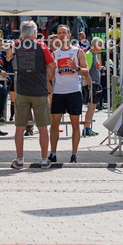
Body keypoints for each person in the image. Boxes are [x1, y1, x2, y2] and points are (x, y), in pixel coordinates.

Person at [11, 20, 55, 170]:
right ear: (35, 32)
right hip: (40, 91)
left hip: (22, 91)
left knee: (19, 128)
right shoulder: (41, 46)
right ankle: (44, 160)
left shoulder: (17, 45)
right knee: (43, 128)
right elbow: (53, 64)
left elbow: (11, 57)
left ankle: (19, 160)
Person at [50, 25, 91, 163]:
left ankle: (74, 154)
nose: (62, 35)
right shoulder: (54, 54)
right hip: (59, 92)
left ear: (69, 35)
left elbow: (86, 72)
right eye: (59, 33)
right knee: (54, 124)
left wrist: (76, 68)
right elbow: (51, 76)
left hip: (74, 91)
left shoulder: (77, 51)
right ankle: (53, 153)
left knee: (75, 125)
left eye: (64, 33)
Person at [82, 37, 104, 138]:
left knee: (93, 106)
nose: (102, 47)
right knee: (91, 106)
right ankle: (87, 128)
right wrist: (89, 84)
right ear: (95, 45)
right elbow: (87, 70)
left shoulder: (95, 55)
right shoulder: (89, 54)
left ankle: (88, 127)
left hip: (95, 83)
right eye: (101, 45)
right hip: (91, 84)